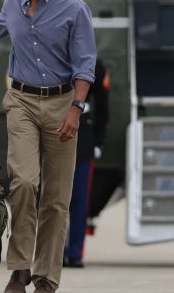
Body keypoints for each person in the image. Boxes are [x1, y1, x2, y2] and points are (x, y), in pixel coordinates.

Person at [0, 0, 96, 292]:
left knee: (55, 197)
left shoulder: (75, 9)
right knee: (23, 182)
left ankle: (46, 276)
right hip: (21, 100)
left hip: (62, 102)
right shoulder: (12, 3)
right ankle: (20, 268)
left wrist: (76, 109)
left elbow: (85, 65)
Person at [63, 60, 109, 268]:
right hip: (54, 130)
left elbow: (103, 106)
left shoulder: (95, 65)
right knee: (53, 199)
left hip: (83, 138)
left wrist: (97, 141)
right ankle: (55, 251)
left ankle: (74, 253)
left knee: (80, 201)